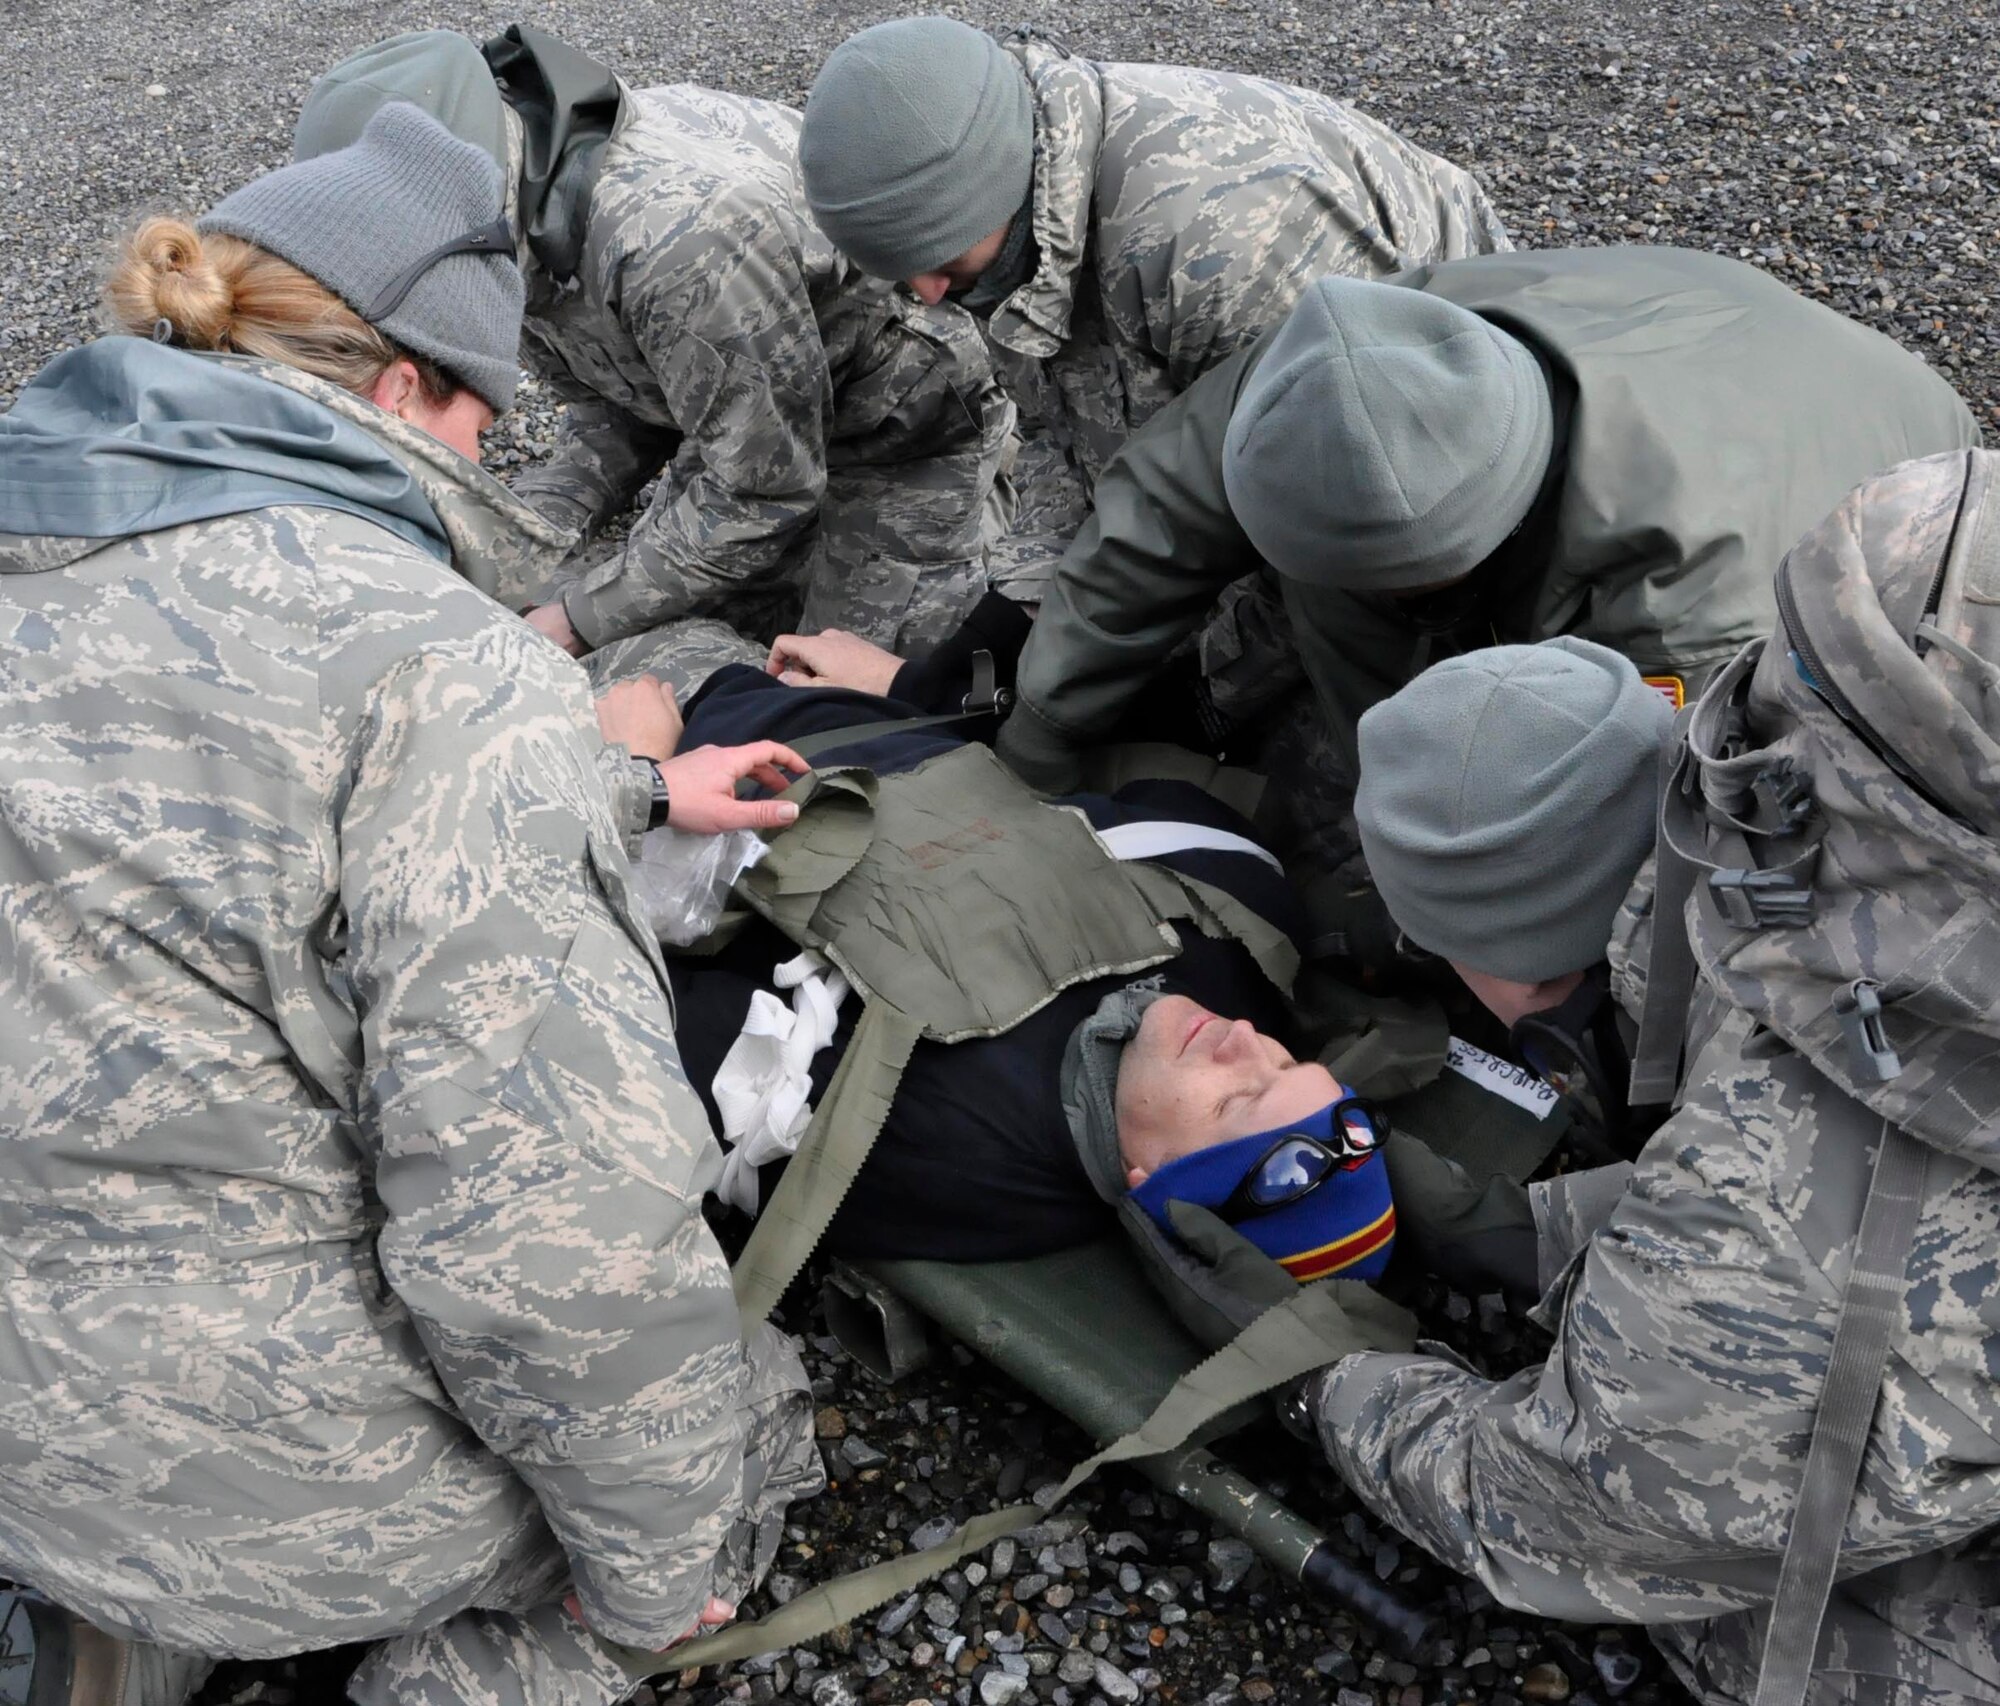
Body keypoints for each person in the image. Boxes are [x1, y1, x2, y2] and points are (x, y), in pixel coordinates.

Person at [0, 105, 823, 1706]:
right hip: (240, 1467)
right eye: (483, 422)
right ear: (403, 391)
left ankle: (112, 1619)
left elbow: (191, 808)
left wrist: (626, 792)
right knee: (737, 1423)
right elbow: (549, 1244)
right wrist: (650, 1576)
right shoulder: (440, 669)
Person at [1294, 502, 2000, 1706]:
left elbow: (1553, 1513)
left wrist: (1320, 1375)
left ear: (1510, 965)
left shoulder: (1768, 1194)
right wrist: (1588, 1226)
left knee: (1802, 1615)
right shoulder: (1888, 661)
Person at [995, 249, 1984, 902]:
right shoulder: (1356, 363)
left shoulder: (1686, 602)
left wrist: (1466, 937)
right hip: (1695, 334)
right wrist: (1039, 735)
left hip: (1897, 480)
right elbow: (1155, 512)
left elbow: (1661, 836)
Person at [649, 645, 1398, 1286]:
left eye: (1233, 1101)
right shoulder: (1240, 929)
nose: (1241, 1038)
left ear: (1153, 1182)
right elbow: (1149, 795)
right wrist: (910, 685)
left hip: (675, 755)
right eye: (1281, 1059)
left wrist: (634, 776)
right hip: (849, 709)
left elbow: (623, 1010)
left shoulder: (938, 1156)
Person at [294, 25, 1023, 663]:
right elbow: (613, 403)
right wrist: (514, 529)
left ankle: (986, 514)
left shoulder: (673, 243)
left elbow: (763, 491)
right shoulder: (514, 204)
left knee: (836, 695)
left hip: (900, 428)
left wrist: (573, 623)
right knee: (681, 636)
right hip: (742, 422)